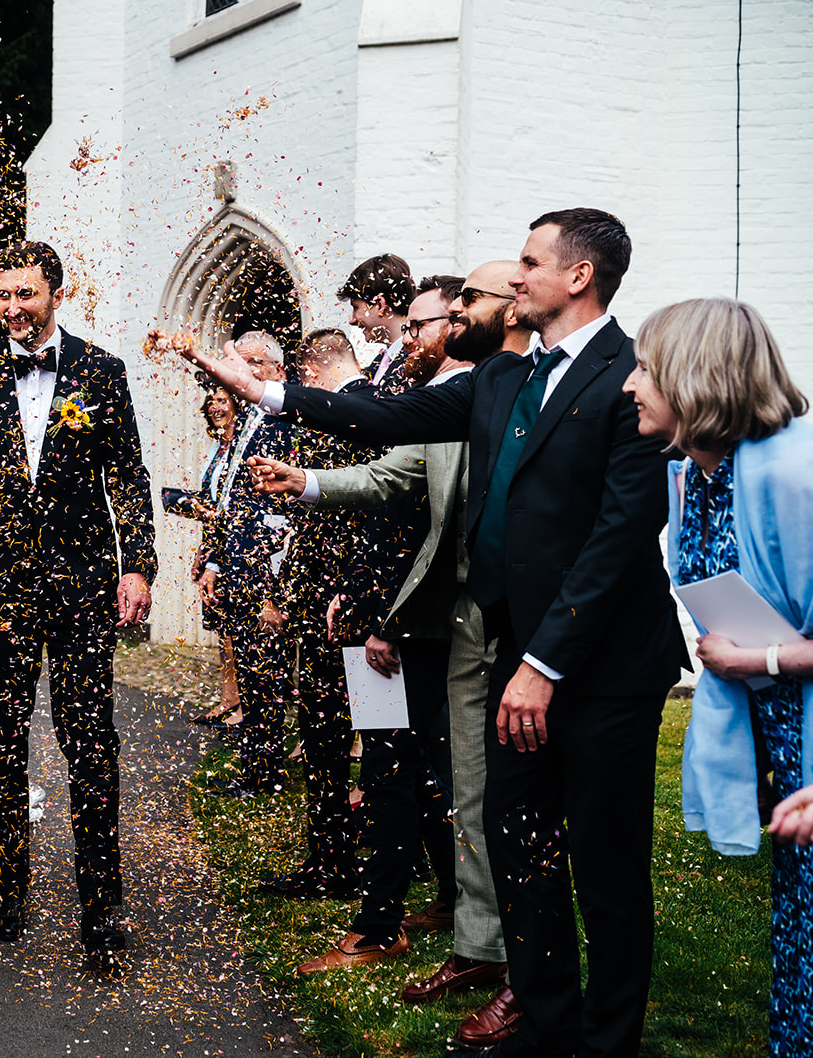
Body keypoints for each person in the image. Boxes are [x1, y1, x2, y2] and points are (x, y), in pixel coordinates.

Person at [188, 208, 689, 1057]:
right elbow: (384, 421)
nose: (515, 276)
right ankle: (545, 1016)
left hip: (601, 670)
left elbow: (619, 533)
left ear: (579, 277)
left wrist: (542, 663)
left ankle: (609, 1042)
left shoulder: (629, 377)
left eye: (531, 262)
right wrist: (260, 390)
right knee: (517, 842)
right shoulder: (500, 378)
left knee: (605, 871)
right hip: (511, 656)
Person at [0, 241, 155, 971]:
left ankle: (102, 905)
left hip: (83, 586)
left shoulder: (102, 370)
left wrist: (137, 565)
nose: (13, 308)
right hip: (0, 586)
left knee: (90, 743)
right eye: (3, 296)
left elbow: (130, 476)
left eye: (26, 294)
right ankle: (8, 889)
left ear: (57, 292)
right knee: (1, 737)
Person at [624, 298, 811, 1058]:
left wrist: (759, 660)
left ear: (697, 376)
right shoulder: (693, 475)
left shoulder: (797, 474)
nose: (629, 384)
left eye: (645, 367)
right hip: (779, 740)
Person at [267, 277, 466, 974]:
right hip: (382, 612)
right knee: (413, 767)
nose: (404, 339)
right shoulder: (420, 404)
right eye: (405, 327)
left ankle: (381, 924)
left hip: (394, 624)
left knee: (392, 768)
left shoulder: (433, 408)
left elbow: (394, 522)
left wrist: (370, 610)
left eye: (419, 326)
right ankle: (447, 896)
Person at [251, 328, 382, 898]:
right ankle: (336, 857)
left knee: (367, 736)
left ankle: (350, 864)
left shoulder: (360, 414)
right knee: (333, 734)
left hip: (349, 608)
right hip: (326, 603)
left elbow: (360, 513)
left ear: (308, 369)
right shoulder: (362, 409)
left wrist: (346, 593)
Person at [198, 333, 294, 789]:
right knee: (253, 680)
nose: (246, 371)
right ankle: (255, 766)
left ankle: (267, 772)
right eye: (240, 362)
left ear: (277, 370)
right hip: (236, 566)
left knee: (270, 677)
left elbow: (286, 514)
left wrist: (276, 590)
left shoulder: (286, 422)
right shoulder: (245, 426)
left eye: (256, 362)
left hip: (269, 573)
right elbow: (231, 502)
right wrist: (215, 563)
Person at [170, 384, 244, 724]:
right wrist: (203, 549)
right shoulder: (218, 449)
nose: (214, 406)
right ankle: (229, 698)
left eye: (222, 400)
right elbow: (212, 505)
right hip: (216, 547)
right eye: (211, 401)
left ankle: (243, 705)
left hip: (237, 551)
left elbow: (232, 508)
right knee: (222, 629)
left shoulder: (241, 450)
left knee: (239, 631)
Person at [338, 253, 415, 389]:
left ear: (379, 304)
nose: (352, 320)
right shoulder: (377, 364)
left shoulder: (414, 361)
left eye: (355, 307)